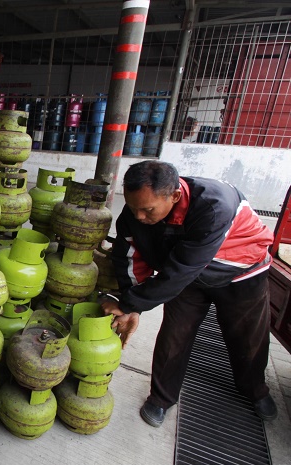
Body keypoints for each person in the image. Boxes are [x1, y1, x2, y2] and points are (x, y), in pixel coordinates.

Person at [101, 161, 276, 427]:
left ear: (174, 196)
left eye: (147, 210)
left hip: (241, 272)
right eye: (133, 207)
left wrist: (129, 304)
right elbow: (128, 258)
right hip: (187, 277)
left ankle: (255, 389)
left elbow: (181, 271)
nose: (138, 217)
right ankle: (161, 398)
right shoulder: (134, 214)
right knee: (174, 336)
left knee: (248, 337)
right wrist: (131, 303)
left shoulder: (214, 206)